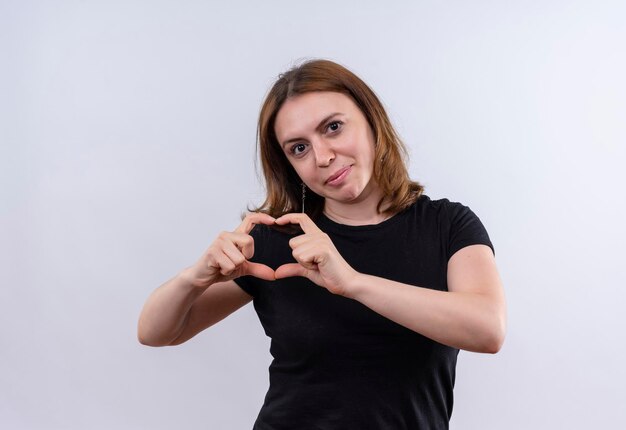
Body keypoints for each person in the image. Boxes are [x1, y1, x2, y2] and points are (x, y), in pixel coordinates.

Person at [137, 59, 507, 429]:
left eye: (333, 127)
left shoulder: (448, 225)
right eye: (299, 148)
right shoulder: (278, 241)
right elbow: (156, 333)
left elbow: (487, 329)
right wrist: (194, 277)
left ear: (371, 119)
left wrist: (352, 283)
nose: (323, 157)